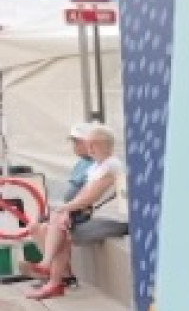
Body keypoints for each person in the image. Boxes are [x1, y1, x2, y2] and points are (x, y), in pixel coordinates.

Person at [24, 123, 126, 300]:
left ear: (101, 145)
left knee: (59, 230)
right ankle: (54, 279)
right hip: (94, 216)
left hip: (114, 219)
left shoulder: (111, 165)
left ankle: (51, 274)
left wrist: (65, 209)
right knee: (58, 224)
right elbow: (81, 195)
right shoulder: (96, 166)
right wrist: (65, 212)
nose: (89, 147)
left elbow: (89, 198)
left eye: (91, 144)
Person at [20, 122, 94, 281]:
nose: (74, 146)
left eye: (77, 142)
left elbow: (85, 197)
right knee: (35, 226)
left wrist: (64, 209)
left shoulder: (96, 165)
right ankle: (59, 273)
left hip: (81, 213)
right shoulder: (82, 163)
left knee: (51, 228)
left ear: (90, 143)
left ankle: (52, 271)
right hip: (71, 210)